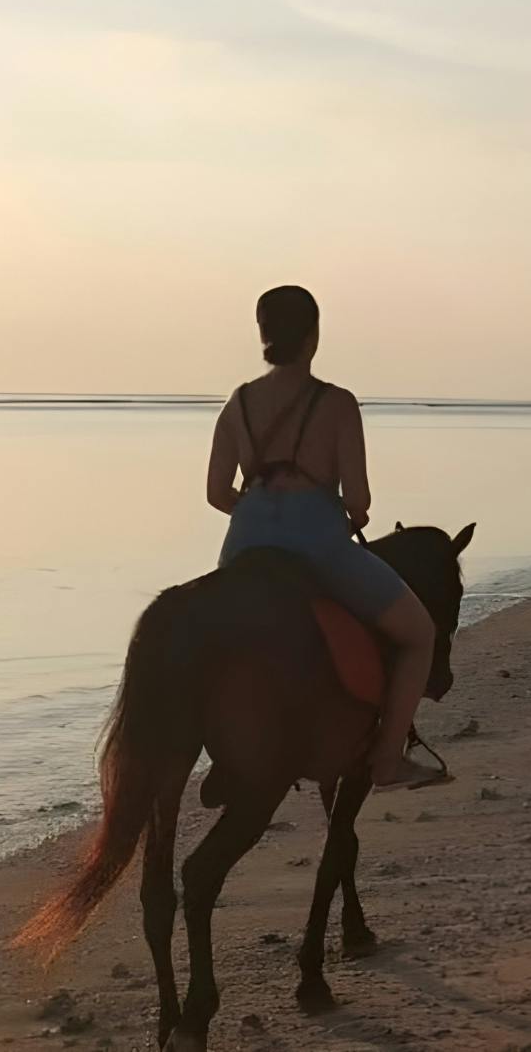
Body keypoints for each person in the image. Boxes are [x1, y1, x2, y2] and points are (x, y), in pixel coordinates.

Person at [206, 285, 448, 790]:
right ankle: (387, 760)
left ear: (263, 336)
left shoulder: (239, 402)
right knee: (419, 635)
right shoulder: (337, 404)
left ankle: (226, 759)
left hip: (243, 543)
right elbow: (359, 500)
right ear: (313, 337)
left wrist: (257, 513)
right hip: (317, 544)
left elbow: (215, 492)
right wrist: (333, 512)